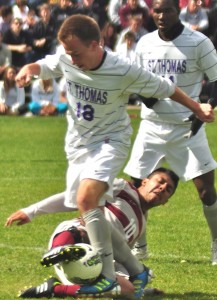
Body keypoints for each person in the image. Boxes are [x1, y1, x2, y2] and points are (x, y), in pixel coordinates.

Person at [14, 13, 214, 298]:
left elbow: (167, 88)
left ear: (96, 45)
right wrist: (28, 71)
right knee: (86, 206)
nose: (72, 58)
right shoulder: (66, 58)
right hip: (78, 145)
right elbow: (44, 65)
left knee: (86, 199)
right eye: (68, 53)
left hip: (111, 141)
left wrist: (197, 108)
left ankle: (106, 276)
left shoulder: (123, 69)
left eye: (76, 53)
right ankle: (136, 269)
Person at [124, 0, 217, 265]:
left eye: (168, 10)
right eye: (157, 10)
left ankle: (216, 244)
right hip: (151, 127)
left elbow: (216, 79)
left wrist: (207, 106)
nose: (161, 16)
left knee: (206, 192)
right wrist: (148, 99)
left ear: (179, 11)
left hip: (188, 128)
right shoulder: (144, 43)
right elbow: (137, 79)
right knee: (136, 190)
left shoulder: (199, 42)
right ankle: (139, 247)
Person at [6, 168, 179, 298]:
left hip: (94, 261)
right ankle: (60, 250)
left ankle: (54, 288)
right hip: (74, 234)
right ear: (145, 181)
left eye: (168, 189)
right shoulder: (122, 188)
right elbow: (76, 197)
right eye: (160, 181)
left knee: (126, 290)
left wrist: (136, 286)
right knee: (84, 229)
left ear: (166, 202)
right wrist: (32, 211)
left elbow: (119, 257)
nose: (162, 188)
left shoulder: (141, 225)